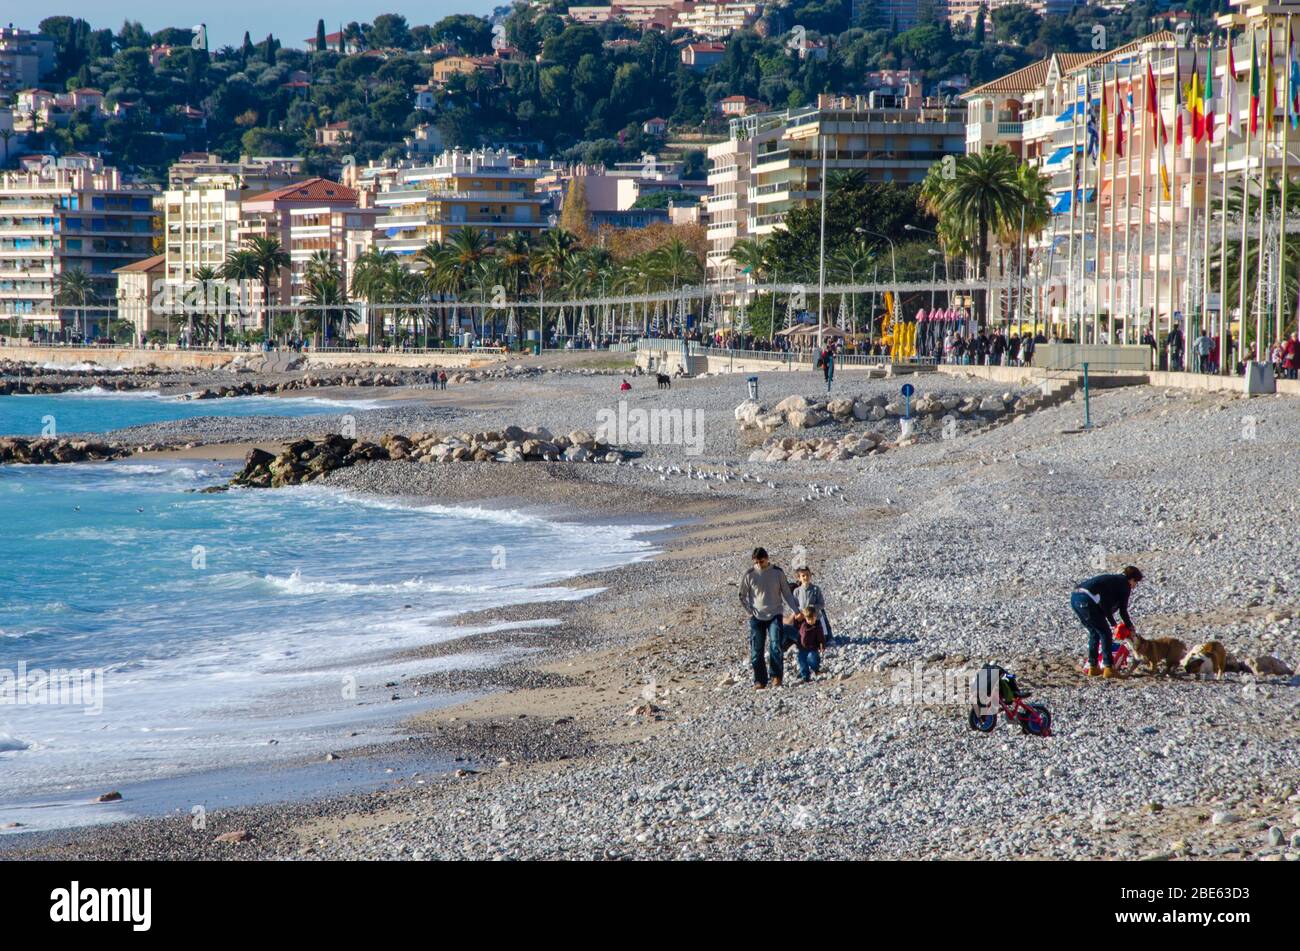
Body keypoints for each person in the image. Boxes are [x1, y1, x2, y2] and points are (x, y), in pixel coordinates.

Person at [738, 547, 800, 689]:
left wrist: (796, 610)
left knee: (775, 646)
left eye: (761, 561)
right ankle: (760, 680)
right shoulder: (749, 574)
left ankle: (776, 677)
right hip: (757, 617)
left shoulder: (777, 573)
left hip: (775, 614)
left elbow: (787, 594)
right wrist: (750, 611)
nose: (759, 564)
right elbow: (742, 595)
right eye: (756, 562)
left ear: (767, 558)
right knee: (756, 650)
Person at [1071, 565, 1143, 678]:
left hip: (1075, 598)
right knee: (1105, 634)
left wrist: (1114, 624)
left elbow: (1105, 606)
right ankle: (1109, 668)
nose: (1134, 586)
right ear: (1132, 579)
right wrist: (1129, 626)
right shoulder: (1124, 585)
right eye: (1136, 583)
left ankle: (1093, 667)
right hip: (1086, 601)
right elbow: (1122, 611)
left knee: (1095, 632)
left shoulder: (1113, 581)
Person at [791, 565, 831, 645]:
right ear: (799, 578)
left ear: (810, 575)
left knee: (820, 634)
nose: (806, 577)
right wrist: (798, 613)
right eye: (803, 576)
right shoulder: (797, 591)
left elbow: (821, 604)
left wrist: (812, 608)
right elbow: (794, 605)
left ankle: (826, 639)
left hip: (815, 617)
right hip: (803, 618)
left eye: (807, 575)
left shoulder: (816, 589)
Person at [793, 605, 825, 682]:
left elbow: (821, 637)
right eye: (808, 619)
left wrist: (822, 645)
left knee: (812, 658)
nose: (811, 621)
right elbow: (795, 624)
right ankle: (805, 676)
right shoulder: (802, 625)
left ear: (815, 617)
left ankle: (816, 669)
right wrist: (796, 617)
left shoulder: (817, 626)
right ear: (805, 618)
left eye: (812, 619)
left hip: (812, 647)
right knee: (802, 661)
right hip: (802, 648)